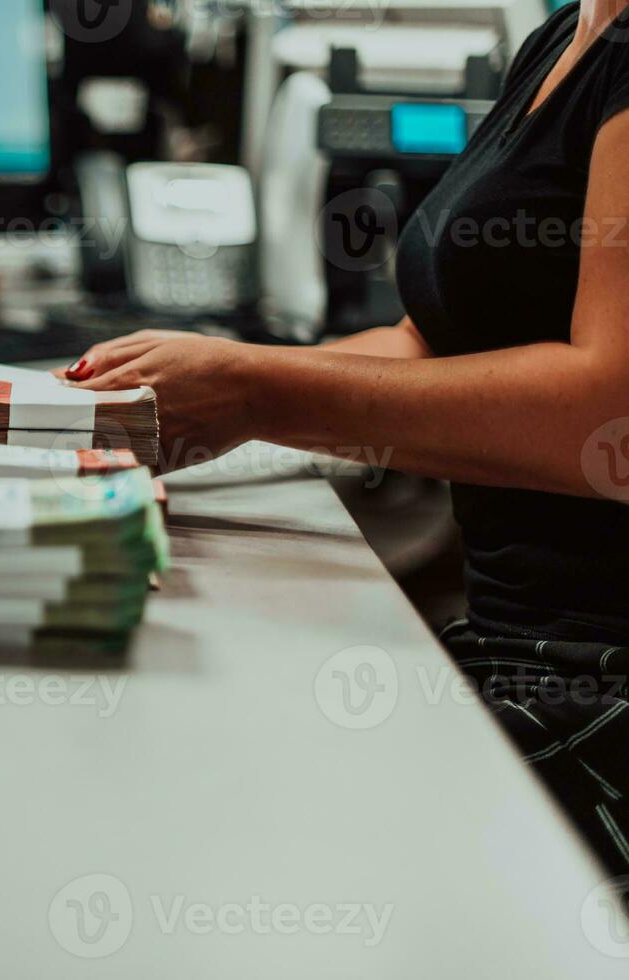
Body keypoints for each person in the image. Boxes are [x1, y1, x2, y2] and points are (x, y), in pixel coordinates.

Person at [65, 0, 629, 875]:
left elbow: (607, 418)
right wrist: (185, 387)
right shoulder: (568, 34)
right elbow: (427, 341)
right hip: (515, 648)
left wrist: (254, 391)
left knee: (216, 822)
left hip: (596, 685)